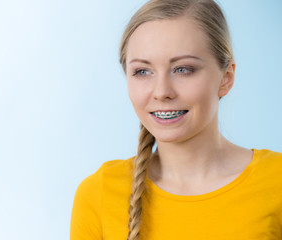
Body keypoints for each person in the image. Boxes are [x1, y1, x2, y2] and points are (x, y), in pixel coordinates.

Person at [70, 0, 282, 239]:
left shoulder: (277, 181)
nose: (161, 91)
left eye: (183, 69)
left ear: (226, 77)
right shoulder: (98, 194)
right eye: (142, 71)